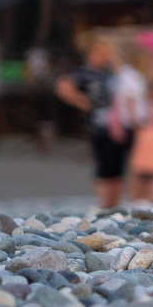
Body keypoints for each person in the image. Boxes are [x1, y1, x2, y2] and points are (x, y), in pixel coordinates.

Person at [55, 35, 130, 211]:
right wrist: (81, 101)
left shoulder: (110, 72)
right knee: (103, 163)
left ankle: (114, 202)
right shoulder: (83, 73)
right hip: (98, 124)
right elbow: (62, 86)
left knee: (118, 162)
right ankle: (104, 202)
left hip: (117, 122)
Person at [117, 44, 153, 204]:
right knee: (142, 170)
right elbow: (131, 102)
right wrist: (136, 123)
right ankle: (141, 199)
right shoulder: (134, 78)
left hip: (144, 129)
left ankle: (142, 199)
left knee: (144, 169)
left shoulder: (131, 77)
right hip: (140, 127)